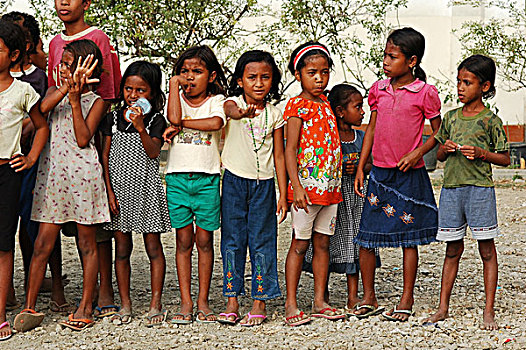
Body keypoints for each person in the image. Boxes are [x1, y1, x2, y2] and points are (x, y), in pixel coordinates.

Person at [14, 39, 109, 332]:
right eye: (62, 63)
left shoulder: (98, 101)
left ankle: (85, 307)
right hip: (53, 177)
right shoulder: (55, 92)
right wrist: (66, 91)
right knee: (42, 242)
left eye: (68, 64)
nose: (61, 68)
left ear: (86, 67)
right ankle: (29, 306)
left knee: (86, 244)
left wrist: (77, 100)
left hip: (83, 177)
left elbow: (83, 138)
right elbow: (39, 113)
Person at [353, 27, 442, 322]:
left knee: (409, 237)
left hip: (409, 175)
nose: (386, 61)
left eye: (393, 56)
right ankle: (369, 295)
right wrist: (362, 166)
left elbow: (441, 133)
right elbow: (371, 130)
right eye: (385, 55)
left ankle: (407, 297)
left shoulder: (426, 93)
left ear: (412, 60)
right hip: (379, 172)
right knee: (366, 236)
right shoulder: (378, 90)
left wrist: (418, 153)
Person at [47, 0, 122, 317]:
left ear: (87, 3)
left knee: (93, 225)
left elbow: (108, 92)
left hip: (92, 124)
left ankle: (103, 291)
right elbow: (52, 88)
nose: (64, 2)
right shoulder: (54, 43)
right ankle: (60, 293)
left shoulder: (100, 38)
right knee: (58, 223)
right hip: (60, 129)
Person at [425, 55, 509, 331]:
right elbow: (438, 155)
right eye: (459, 82)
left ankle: (489, 310)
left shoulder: (491, 121)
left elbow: (506, 159)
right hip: (451, 191)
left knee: (486, 249)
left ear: (484, 87)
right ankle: (442, 307)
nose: (460, 87)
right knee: (452, 249)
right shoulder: (450, 118)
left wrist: (484, 154)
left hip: (480, 191)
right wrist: (445, 149)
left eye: (467, 82)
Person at [217, 50, 288, 327]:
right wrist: (241, 112)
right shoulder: (231, 103)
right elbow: (230, 112)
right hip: (234, 182)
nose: (258, 83)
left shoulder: (275, 114)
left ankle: (260, 301)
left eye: (265, 78)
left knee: (263, 241)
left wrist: (283, 193)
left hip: (264, 186)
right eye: (252, 78)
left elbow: (280, 156)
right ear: (239, 81)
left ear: (273, 81)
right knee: (232, 241)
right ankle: (232, 300)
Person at [100, 61, 171, 326]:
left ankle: (155, 304)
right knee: (122, 249)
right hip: (118, 191)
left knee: (153, 247)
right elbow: (105, 157)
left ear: (152, 93)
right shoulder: (113, 119)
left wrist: (141, 126)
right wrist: (109, 192)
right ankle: (126, 304)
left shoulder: (155, 119)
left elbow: (154, 152)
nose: (133, 95)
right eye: (128, 88)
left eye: (140, 90)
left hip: (147, 189)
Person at [163, 45, 227, 324]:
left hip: (207, 178)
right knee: (183, 241)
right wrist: (173, 88)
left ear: (211, 76)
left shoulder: (217, 101)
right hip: (177, 178)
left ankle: (203, 299)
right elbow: (173, 117)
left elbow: (214, 123)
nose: (189, 77)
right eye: (184, 72)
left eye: (197, 72)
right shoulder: (176, 101)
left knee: (204, 240)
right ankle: (186, 302)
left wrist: (184, 124)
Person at [303, 84, 380, 314]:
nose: (363, 112)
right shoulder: (329, 136)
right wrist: (339, 167)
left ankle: (353, 295)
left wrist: (359, 167)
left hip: (357, 198)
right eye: (357, 107)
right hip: (333, 196)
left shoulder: (362, 136)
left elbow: (370, 163)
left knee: (354, 244)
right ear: (340, 111)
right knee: (326, 243)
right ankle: (322, 293)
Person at [283, 42, 346, 327]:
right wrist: (295, 186)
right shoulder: (297, 105)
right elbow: (290, 148)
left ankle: (320, 300)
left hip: (331, 188)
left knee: (323, 243)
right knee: (299, 244)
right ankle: (291, 303)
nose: (319, 78)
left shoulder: (328, 104)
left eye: (324, 72)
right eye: (312, 73)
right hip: (306, 190)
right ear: (299, 75)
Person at [0, 20, 49, 341]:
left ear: (14, 54)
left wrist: (30, 158)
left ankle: (0, 315)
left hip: (7, 174)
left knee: (3, 246)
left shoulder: (22, 91)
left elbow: (41, 126)